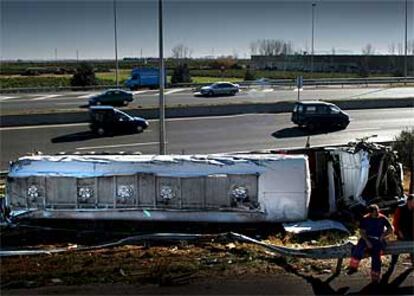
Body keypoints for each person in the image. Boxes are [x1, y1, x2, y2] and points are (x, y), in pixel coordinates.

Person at [347, 204, 393, 283]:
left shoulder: (382, 218)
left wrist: (383, 235)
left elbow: (390, 228)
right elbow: (362, 231)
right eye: (374, 213)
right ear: (370, 213)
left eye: (377, 212)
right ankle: (353, 267)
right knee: (358, 248)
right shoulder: (365, 219)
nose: (376, 214)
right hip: (367, 238)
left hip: (378, 239)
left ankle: (375, 276)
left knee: (376, 256)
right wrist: (367, 241)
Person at [390, 194, 414, 266]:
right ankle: (393, 262)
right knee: (397, 248)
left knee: (412, 246)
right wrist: (398, 231)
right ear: (408, 201)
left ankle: (413, 261)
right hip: (402, 231)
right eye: (413, 201)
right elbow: (395, 222)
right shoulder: (400, 209)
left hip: (412, 231)